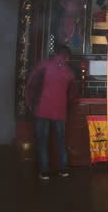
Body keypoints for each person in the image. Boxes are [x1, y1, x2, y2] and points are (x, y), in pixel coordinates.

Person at [26, 45, 76, 180]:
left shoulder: (44, 66)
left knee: (43, 141)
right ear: (67, 56)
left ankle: (44, 172)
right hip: (60, 112)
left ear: (55, 54)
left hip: (42, 110)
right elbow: (72, 94)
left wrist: (31, 104)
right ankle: (63, 169)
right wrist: (68, 108)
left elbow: (31, 84)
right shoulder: (69, 71)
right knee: (61, 141)